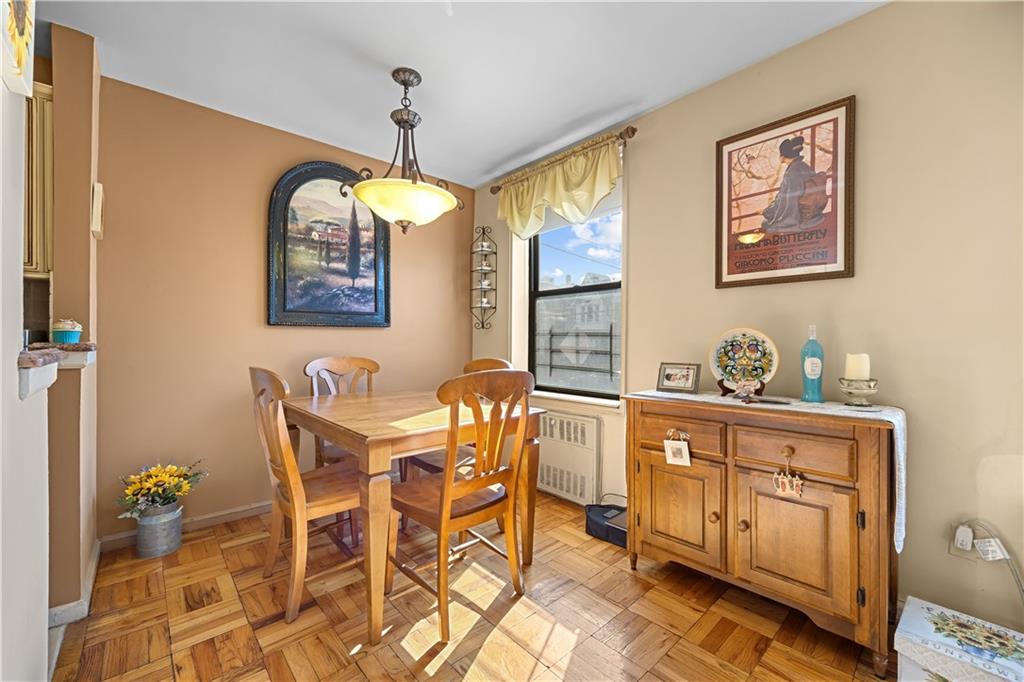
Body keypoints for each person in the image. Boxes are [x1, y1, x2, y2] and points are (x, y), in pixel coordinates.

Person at [760, 136, 825, 232]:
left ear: (782, 156)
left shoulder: (792, 173)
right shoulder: (803, 166)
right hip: (813, 212)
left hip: (798, 216)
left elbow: (789, 202)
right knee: (768, 217)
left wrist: (768, 212)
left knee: (765, 224)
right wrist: (768, 210)